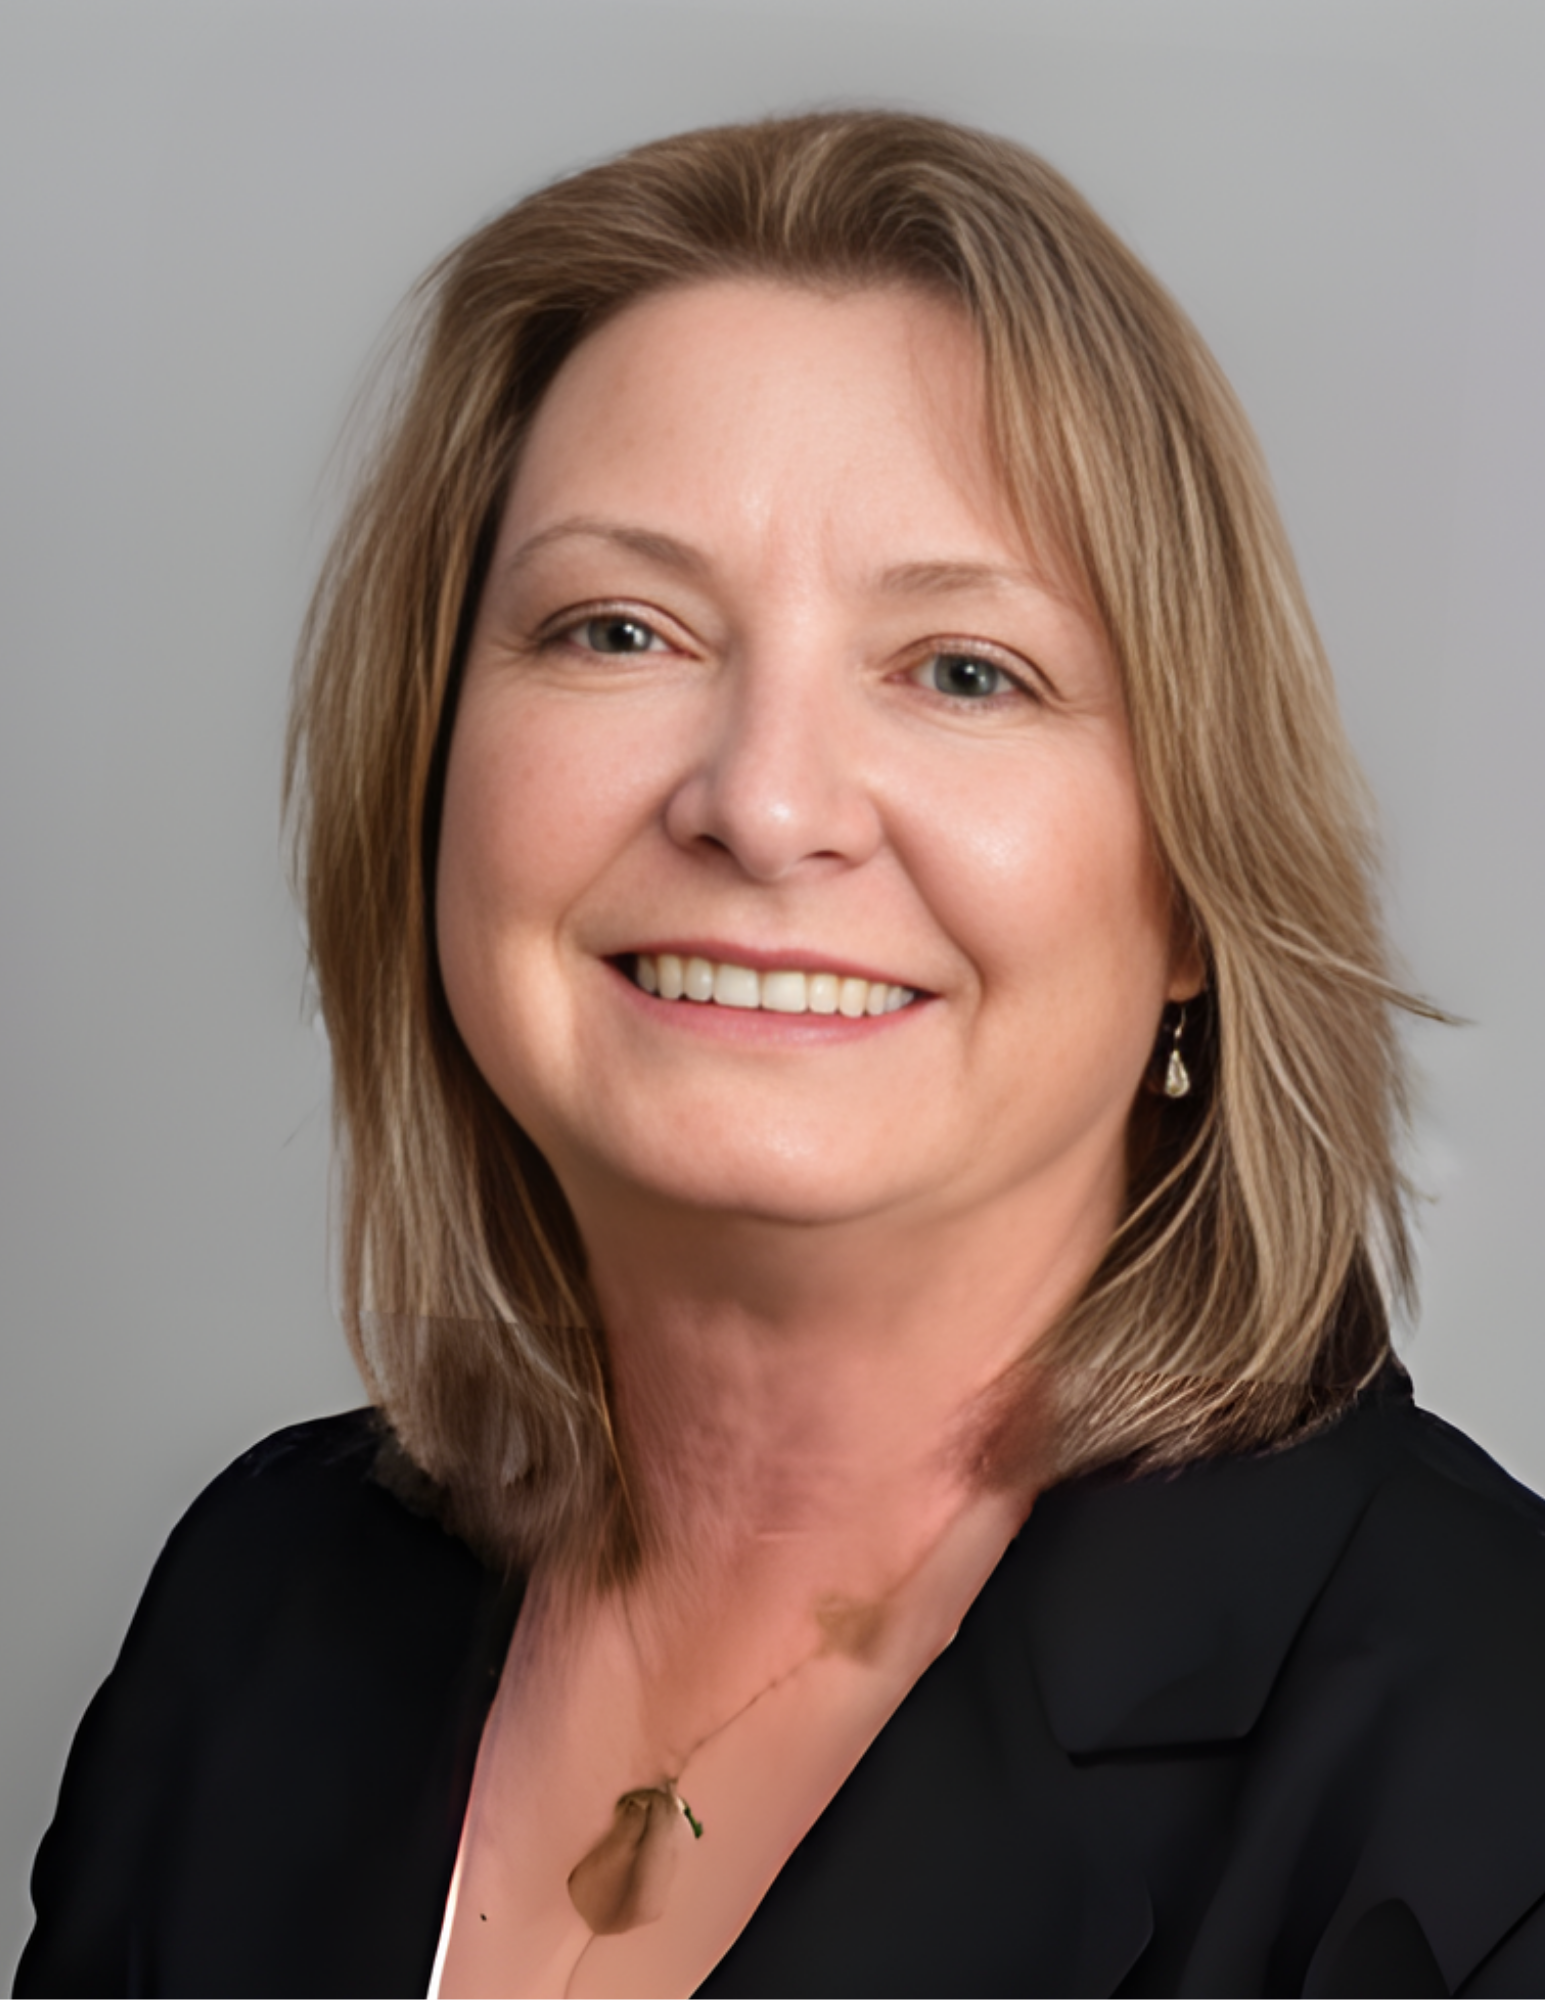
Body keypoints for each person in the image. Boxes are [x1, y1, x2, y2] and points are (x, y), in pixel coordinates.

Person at [16, 110, 1545, 2000]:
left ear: (1186, 896)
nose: (763, 801)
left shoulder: (1486, 1781)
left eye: (964, 668)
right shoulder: (257, 1603)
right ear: (431, 789)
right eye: (621, 628)